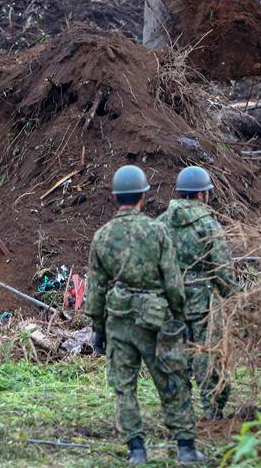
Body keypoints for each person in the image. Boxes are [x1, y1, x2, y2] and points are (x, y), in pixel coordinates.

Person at [86, 165, 203, 465]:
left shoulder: (101, 237)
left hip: (119, 320)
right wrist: (180, 319)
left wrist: (98, 329)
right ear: (142, 197)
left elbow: (96, 290)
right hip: (155, 318)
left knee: (124, 387)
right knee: (171, 380)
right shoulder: (157, 231)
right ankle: (186, 448)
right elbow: (173, 283)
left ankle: (136, 450)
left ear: (116, 198)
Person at [159, 166, 237, 421]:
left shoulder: (160, 223)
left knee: (174, 358)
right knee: (207, 357)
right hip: (203, 303)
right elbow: (223, 269)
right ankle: (213, 411)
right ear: (202, 194)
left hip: (170, 302)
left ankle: (179, 413)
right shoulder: (208, 224)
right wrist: (235, 299)